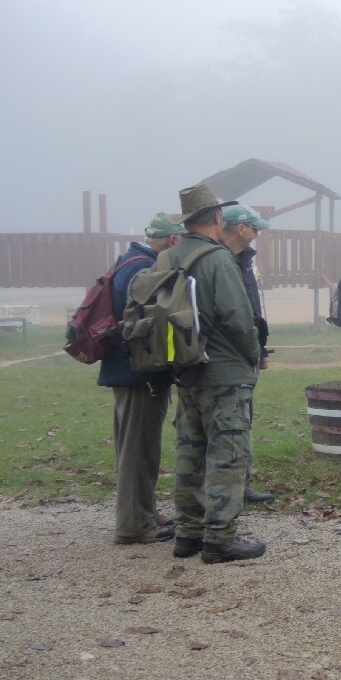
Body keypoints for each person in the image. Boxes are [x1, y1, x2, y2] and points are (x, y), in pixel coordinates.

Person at [162, 184, 265, 564]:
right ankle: (219, 539)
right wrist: (253, 355)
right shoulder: (218, 259)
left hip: (184, 369)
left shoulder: (168, 257)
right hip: (223, 373)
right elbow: (239, 318)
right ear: (218, 218)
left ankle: (187, 533)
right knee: (228, 453)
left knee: (189, 452)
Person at [102, 213, 184, 545]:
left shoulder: (129, 260)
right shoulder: (145, 269)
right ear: (173, 241)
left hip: (127, 369)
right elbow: (152, 321)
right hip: (139, 372)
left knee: (137, 446)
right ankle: (133, 524)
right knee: (138, 449)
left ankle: (144, 510)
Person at [220, 204, 276, 504]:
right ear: (240, 228)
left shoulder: (242, 260)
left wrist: (260, 349)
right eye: (254, 228)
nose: (257, 233)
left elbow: (252, 314)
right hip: (229, 356)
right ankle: (227, 492)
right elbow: (234, 315)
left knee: (244, 421)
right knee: (229, 427)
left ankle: (241, 484)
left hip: (247, 352)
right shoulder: (221, 261)